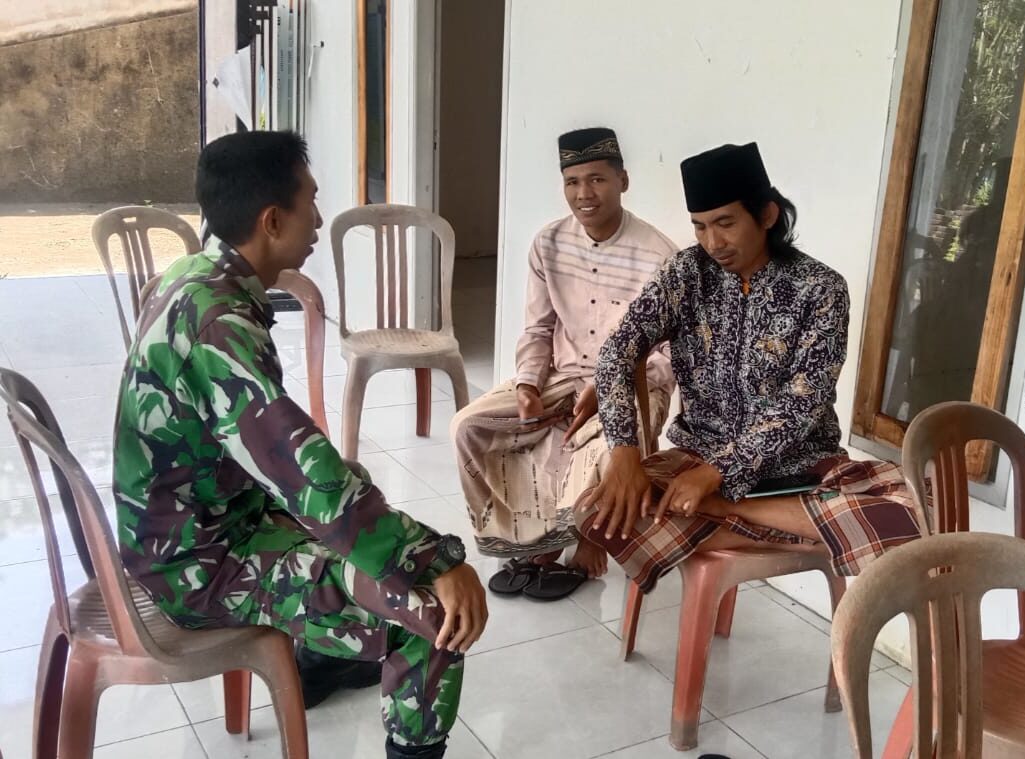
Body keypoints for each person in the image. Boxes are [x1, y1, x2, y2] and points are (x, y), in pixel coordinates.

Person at [113, 131, 487, 759]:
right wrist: (440, 560)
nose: (318, 219)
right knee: (431, 614)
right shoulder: (218, 327)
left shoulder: (195, 274)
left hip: (191, 528)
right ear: (272, 220)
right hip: (197, 565)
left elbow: (295, 464)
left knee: (356, 486)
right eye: (311, 201)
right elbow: (309, 482)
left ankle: (318, 661)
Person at [576, 142, 921, 592]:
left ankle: (728, 513)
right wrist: (624, 453)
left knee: (915, 514)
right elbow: (618, 350)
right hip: (694, 460)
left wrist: (718, 479)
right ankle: (798, 529)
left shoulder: (820, 289)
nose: (712, 243)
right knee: (593, 511)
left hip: (800, 470)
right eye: (700, 226)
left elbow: (802, 403)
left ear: (767, 215)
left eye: (725, 223)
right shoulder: (685, 273)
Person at [450, 127, 676, 601]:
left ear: (623, 181)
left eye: (597, 179)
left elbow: (669, 358)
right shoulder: (547, 244)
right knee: (469, 427)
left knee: (611, 446)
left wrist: (611, 388)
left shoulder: (660, 256)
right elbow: (537, 330)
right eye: (573, 182)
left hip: (634, 384)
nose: (584, 194)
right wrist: (529, 386)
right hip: (561, 375)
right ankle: (531, 541)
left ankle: (590, 537)